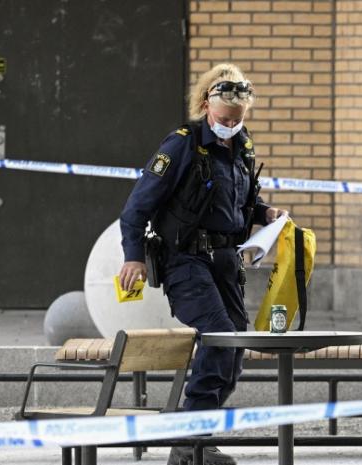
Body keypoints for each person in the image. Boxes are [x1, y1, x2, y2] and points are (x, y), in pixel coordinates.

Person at [118, 63, 287, 465]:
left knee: (235, 347)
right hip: (185, 260)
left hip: (226, 261)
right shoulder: (181, 145)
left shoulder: (242, 146)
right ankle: (190, 443)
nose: (230, 124)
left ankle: (194, 441)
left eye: (237, 118)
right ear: (206, 105)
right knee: (219, 336)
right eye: (225, 118)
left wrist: (265, 214)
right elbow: (136, 208)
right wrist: (133, 257)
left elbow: (238, 204)